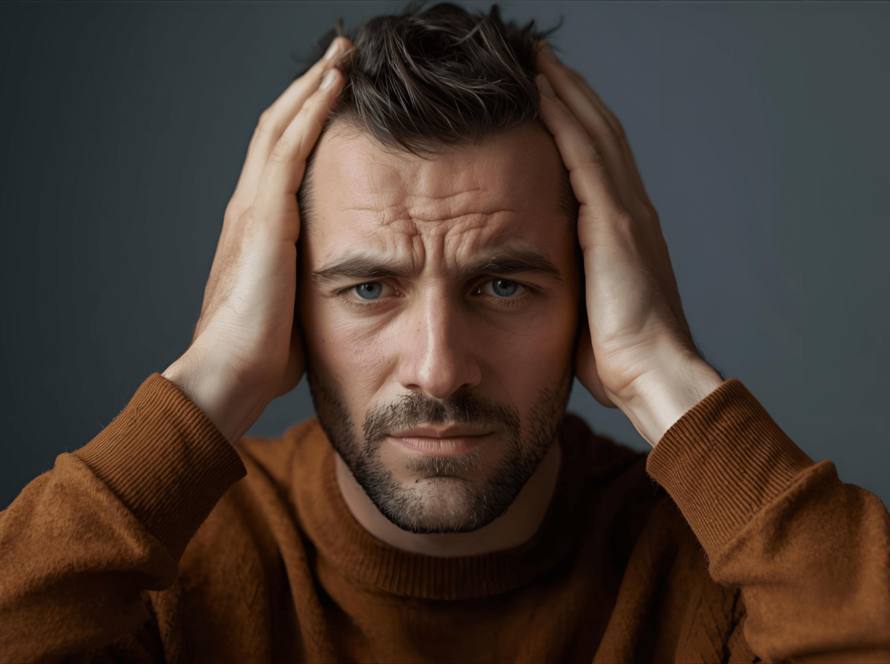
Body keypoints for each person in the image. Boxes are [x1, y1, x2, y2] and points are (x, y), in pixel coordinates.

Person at [2, 2, 888, 662]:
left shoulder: (721, 577)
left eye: (503, 284)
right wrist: (210, 381)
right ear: (280, 302)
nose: (438, 368)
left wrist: (661, 369)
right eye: (368, 287)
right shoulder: (165, 571)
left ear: (593, 292)